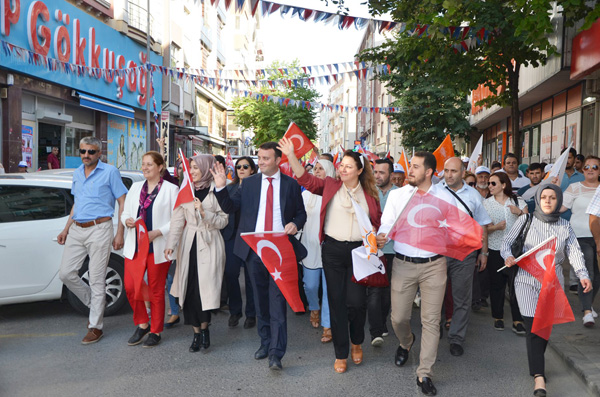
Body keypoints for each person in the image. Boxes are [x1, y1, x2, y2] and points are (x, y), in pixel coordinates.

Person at [280, 138, 381, 375]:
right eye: (341, 165)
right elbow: (304, 179)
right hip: (333, 251)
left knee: (356, 303)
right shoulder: (329, 186)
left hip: (360, 253)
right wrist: (292, 156)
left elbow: (377, 224)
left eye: (348, 166)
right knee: (336, 303)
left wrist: (379, 236)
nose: (342, 169)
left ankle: (357, 341)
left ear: (359, 170)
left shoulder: (370, 195)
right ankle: (341, 353)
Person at [211, 142, 307, 371]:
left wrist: (295, 223)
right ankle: (265, 343)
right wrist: (221, 187)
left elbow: (301, 213)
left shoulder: (291, 185)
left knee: (277, 302)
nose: (260, 162)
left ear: (277, 160)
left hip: (280, 251)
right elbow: (230, 207)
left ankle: (276, 352)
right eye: (259, 157)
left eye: (265, 158)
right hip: (254, 251)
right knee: (260, 300)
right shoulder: (249, 184)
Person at [377, 152, 455, 396]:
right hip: (403, 263)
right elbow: (387, 223)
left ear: (429, 172)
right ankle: (405, 343)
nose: (409, 170)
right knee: (398, 318)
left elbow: (454, 229)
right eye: (410, 166)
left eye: (415, 167)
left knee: (431, 321)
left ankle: (424, 374)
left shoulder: (445, 197)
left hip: (435, 265)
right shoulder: (397, 195)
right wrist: (382, 236)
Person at [502, 184, 591, 396]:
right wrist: (507, 256)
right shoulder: (526, 220)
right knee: (534, 325)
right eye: (544, 197)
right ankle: (539, 377)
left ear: (559, 201)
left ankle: (536, 363)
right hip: (526, 279)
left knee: (544, 328)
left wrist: (583, 275)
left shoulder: (565, 226)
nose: (548, 201)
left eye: (552, 198)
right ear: (539, 200)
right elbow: (507, 242)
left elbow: (575, 252)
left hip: (552, 282)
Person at [57, 136, 127, 344]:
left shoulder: (110, 172)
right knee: (66, 274)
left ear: (99, 154)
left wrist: (120, 232)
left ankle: (95, 326)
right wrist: (66, 228)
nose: (86, 155)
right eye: (83, 151)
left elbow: (123, 202)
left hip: (100, 228)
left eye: (91, 152)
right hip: (77, 228)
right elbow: (77, 203)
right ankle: (96, 302)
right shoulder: (78, 173)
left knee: (97, 279)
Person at [164, 154, 228, 352]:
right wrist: (171, 244)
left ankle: (205, 328)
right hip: (189, 243)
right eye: (190, 167)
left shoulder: (216, 189)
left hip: (210, 243)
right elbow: (177, 220)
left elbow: (223, 220)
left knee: (205, 292)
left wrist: (204, 213)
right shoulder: (186, 189)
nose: (191, 171)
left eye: (195, 168)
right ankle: (195, 333)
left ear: (206, 168)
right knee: (189, 290)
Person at [121, 151, 178, 347]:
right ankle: (142, 323)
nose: (144, 168)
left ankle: (155, 330)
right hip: (135, 246)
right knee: (130, 286)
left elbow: (177, 220)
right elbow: (125, 212)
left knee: (155, 290)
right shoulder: (136, 187)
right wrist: (126, 220)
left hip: (157, 247)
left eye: (149, 164)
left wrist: (159, 232)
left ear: (160, 167)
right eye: (143, 164)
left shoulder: (171, 189)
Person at [441, 158, 491, 356]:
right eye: (446, 170)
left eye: (453, 171)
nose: (449, 174)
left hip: (466, 253)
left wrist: (484, 252)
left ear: (463, 173)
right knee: (434, 295)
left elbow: (483, 225)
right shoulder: (435, 192)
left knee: (462, 298)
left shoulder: (473, 195)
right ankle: (434, 330)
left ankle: (456, 338)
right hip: (439, 252)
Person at [483, 172, 527, 334]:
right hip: (495, 249)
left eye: (493, 183)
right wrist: (495, 228)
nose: (490, 186)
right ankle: (498, 317)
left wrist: (520, 212)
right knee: (497, 285)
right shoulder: (486, 204)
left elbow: (529, 221)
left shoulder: (517, 201)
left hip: (515, 250)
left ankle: (518, 320)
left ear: (503, 185)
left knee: (516, 285)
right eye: (489, 183)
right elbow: (481, 228)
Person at [299, 158, 336, 343]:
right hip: (310, 248)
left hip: (329, 248)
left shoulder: (336, 194)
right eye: (315, 168)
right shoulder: (305, 195)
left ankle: (327, 325)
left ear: (330, 171)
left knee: (330, 289)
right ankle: (314, 307)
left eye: (322, 168)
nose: (317, 171)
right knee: (311, 285)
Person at [562, 156, 600, 326]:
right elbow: (559, 207)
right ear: (582, 169)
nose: (590, 169)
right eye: (586, 167)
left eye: (595, 167)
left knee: (597, 276)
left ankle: (588, 305)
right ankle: (586, 313)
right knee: (587, 272)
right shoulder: (574, 187)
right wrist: (551, 187)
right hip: (579, 236)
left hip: (598, 238)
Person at [222, 156, 257, 329]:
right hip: (231, 236)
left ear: (252, 169)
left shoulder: (258, 189)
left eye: (245, 166)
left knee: (251, 277)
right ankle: (235, 311)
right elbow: (225, 208)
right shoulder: (230, 188)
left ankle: (251, 313)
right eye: (238, 167)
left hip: (250, 237)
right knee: (230, 274)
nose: (241, 169)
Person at [369, 158, 397, 347]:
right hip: (372, 250)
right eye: (375, 172)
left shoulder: (401, 194)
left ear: (391, 175)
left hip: (394, 251)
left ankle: (382, 320)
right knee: (374, 291)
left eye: (381, 172)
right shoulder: (368, 192)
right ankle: (375, 330)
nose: (377, 176)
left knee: (388, 292)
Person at [165, 160, 184, 328]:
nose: (184, 170)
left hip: (192, 240)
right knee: (171, 279)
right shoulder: (172, 185)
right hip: (173, 239)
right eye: (181, 167)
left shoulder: (199, 187)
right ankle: (175, 311)